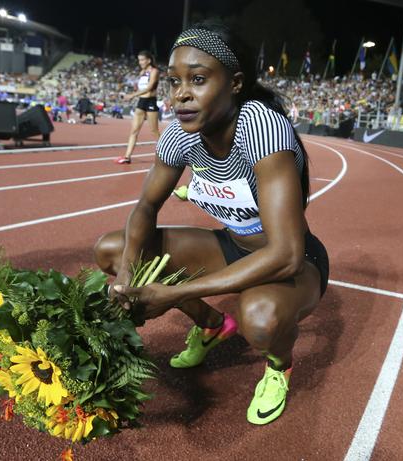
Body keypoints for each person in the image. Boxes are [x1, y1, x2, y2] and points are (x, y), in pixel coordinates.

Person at [94, 22, 329, 425]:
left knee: (260, 320)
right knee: (112, 251)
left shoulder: (259, 125)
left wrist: (170, 294)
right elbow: (145, 209)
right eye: (174, 82)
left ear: (235, 83)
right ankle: (212, 326)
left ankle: (279, 367)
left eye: (198, 79)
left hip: (293, 260)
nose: (180, 94)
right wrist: (130, 273)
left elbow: (286, 255)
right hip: (232, 246)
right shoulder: (181, 135)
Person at [114, 50, 160, 164]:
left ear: (149, 60)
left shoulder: (154, 71)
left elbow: (149, 88)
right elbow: (139, 88)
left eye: (142, 60)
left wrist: (132, 96)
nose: (140, 62)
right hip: (141, 102)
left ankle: (168, 154)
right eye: (139, 60)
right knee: (134, 130)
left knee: (154, 131)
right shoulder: (141, 72)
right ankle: (127, 157)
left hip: (150, 102)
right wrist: (126, 89)